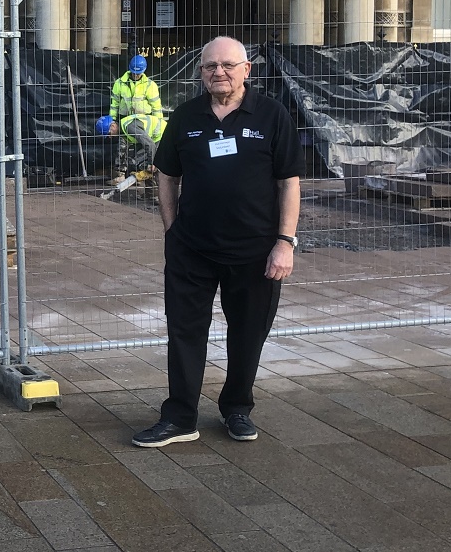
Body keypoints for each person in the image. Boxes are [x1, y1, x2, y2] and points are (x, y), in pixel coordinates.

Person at [132, 36, 303, 448]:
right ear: (201, 71)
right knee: (185, 332)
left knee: (248, 332)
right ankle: (180, 417)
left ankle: (237, 409)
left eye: (228, 65)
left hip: (255, 251)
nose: (218, 72)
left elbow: (289, 182)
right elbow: (167, 175)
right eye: (210, 66)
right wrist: (172, 231)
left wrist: (285, 242)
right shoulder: (187, 116)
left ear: (247, 69)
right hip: (192, 248)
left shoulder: (271, 115)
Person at [108, 54, 163, 181]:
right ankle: (120, 175)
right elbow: (114, 103)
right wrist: (112, 120)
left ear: (143, 72)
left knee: (144, 150)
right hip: (126, 120)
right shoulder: (120, 83)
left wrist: (157, 125)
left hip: (143, 121)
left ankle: (140, 178)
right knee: (122, 147)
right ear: (130, 70)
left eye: (138, 73)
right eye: (134, 73)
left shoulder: (150, 85)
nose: (136, 75)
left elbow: (156, 106)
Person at [95, 112, 166, 177]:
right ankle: (152, 188)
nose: (110, 137)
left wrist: (151, 163)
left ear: (113, 126)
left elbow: (149, 144)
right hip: (157, 137)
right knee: (138, 162)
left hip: (163, 135)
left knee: (146, 165)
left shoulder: (130, 128)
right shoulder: (124, 129)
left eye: (109, 134)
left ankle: (159, 185)